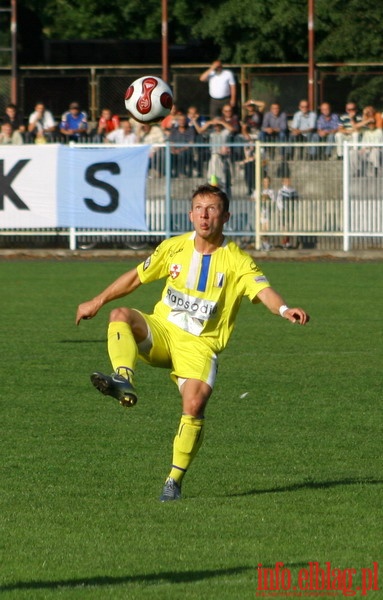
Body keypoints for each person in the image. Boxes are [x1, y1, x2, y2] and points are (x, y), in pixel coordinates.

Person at [76, 183, 310, 502]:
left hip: (199, 346)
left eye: (212, 208)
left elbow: (263, 290)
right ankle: (123, 379)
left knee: (194, 405)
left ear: (225, 216)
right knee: (121, 314)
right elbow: (135, 277)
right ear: (190, 214)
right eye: (199, 208)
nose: (204, 215)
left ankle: (173, 480)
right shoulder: (173, 247)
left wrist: (284, 309)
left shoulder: (238, 261)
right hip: (162, 331)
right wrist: (96, 300)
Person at [276, 177, 299, 248]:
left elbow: (296, 200)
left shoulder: (293, 190)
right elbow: (278, 200)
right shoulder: (281, 190)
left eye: (288, 181)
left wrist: (294, 209)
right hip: (284, 210)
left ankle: (288, 242)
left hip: (291, 210)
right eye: (285, 181)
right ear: (282, 182)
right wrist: (281, 209)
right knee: (284, 226)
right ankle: (284, 242)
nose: (287, 182)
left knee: (289, 226)